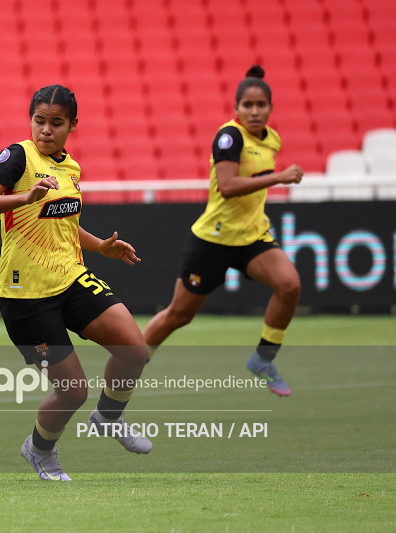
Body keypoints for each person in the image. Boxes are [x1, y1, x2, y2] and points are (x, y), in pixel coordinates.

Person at [0, 85, 152, 481]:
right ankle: (39, 451)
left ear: (72, 126)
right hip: (26, 297)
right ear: (30, 119)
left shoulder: (71, 168)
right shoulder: (18, 157)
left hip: (71, 278)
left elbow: (64, 222)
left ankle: (108, 416)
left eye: (56, 123)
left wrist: (100, 246)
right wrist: (24, 198)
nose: (46, 130)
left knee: (135, 351)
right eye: (39, 120)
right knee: (73, 391)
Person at [142, 65, 303, 397]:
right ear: (236, 108)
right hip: (213, 239)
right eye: (248, 105)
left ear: (271, 108)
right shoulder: (228, 137)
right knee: (178, 315)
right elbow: (228, 186)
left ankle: (263, 358)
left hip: (252, 237)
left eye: (261, 105)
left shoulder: (271, 139)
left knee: (289, 285)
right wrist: (279, 178)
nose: (255, 111)